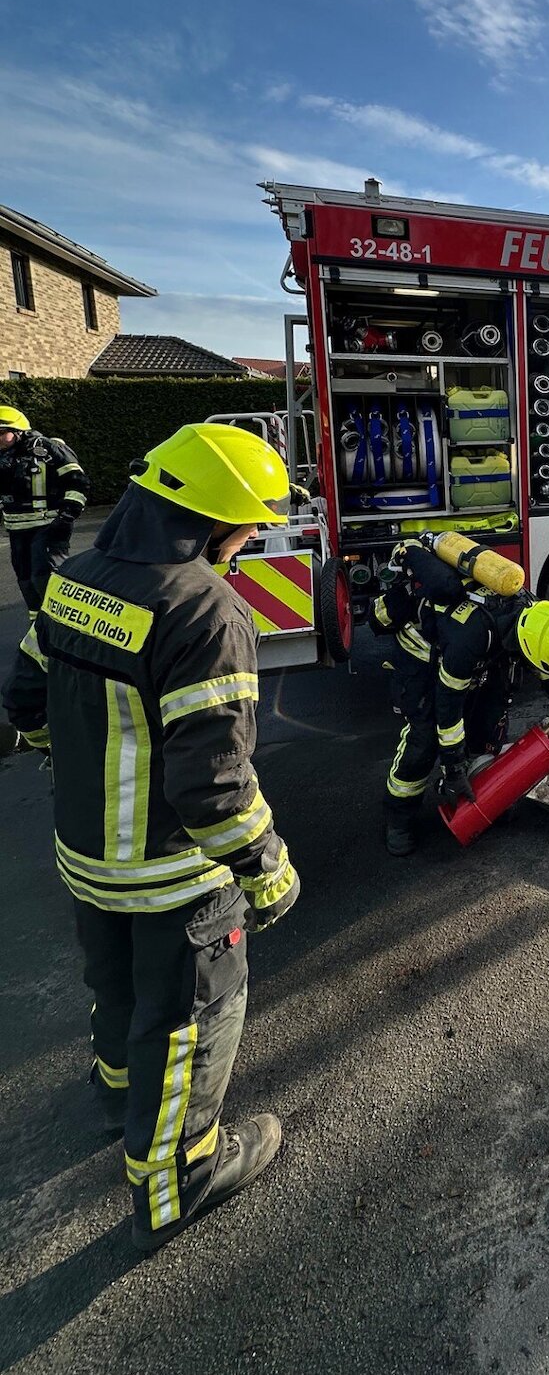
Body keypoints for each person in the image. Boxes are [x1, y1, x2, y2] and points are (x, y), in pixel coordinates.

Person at [1, 422, 300, 1252]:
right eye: (250, 527)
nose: (249, 543)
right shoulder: (204, 609)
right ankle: (179, 1177)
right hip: (172, 873)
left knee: (119, 987)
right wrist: (269, 869)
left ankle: (117, 1100)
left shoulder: (71, 579)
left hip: (82, 853)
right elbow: (213, 785)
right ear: (213, 521)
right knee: (190, 1021)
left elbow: (24, 702)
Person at [370, 541, 549, 855]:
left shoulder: (535, 615)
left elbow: (547, 667)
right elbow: (448, 707)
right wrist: (454, 769)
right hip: (426, 657)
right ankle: (399, 819)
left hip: (484, 657)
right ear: (522, 644)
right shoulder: (469, 635)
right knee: (425, 740)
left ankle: (481, 792)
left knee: (489, 727)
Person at [0, 407, 87, 615]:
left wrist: (67, 516)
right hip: (17, 530)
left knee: (46, 577)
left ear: (19, 431)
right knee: (26, 581)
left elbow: (77, 481)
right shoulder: (3, 458)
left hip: (49, 526)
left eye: (2, 432)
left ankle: (64, 626)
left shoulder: (47, 449)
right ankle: (38, 632)